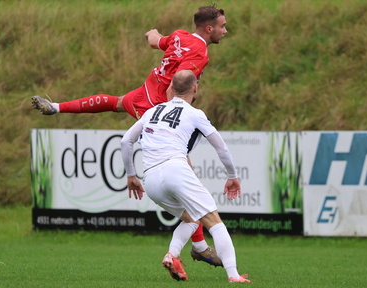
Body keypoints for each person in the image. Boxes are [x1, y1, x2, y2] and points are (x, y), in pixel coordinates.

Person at [31, 5, 228, 267]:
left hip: (145, 91)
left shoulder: (180, 35)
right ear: (209, 28)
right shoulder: (200, 52)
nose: (225, 30)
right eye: (223, 26)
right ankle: (200, 246)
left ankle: (56, 107)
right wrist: (171, 113)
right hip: (157, 107)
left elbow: (155, 40)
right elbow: (178, 82)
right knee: (186, 175)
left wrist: (153, 33)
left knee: (114, 102)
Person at [120, 70, 250, 283]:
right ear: (195, 88)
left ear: (170, 87)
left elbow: (126, 141)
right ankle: (234, 275)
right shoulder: (195, 113)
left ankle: (172, 255)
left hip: (151, 179)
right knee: (214, 222)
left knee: (191, 218)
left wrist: (131, 175)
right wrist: (232, 175)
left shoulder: (152, 111)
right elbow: (221, 148)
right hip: (175, 169)